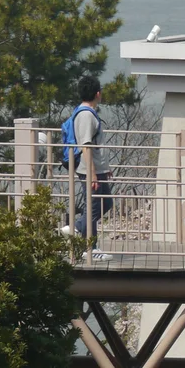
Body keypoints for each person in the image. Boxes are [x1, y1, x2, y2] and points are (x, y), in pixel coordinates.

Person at [62, 76, 112, 257]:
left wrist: (105, 168)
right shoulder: (85, 115)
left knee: (104, 204)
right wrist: (92, 174)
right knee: (95, 208)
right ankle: (89, 248)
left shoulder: (86, 113)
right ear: (97, 94)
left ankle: (80, 236)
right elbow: (86, 146)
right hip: (89, 171)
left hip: (97, 170)